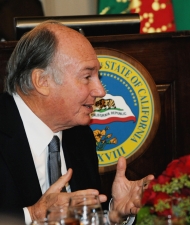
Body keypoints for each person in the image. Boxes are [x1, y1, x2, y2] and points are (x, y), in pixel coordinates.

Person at [0, 20, 154, 224]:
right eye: (87, 76)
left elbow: (79, 218)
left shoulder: (79, 135)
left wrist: (113, 216)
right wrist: (33, 215)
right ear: (42, 81)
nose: (100, 91)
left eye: (97, 76)